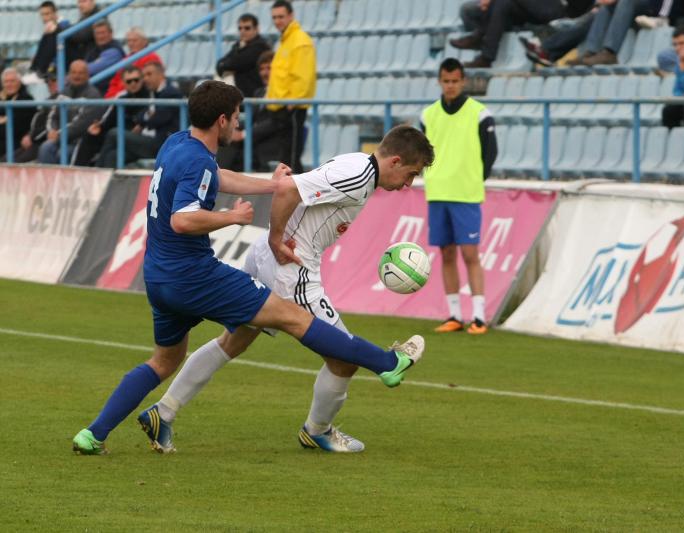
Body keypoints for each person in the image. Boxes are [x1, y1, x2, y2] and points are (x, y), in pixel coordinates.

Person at [71, 81, 427, 455]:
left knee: (169, 358)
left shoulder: (178, 144)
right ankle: (387, 363)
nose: (239, 123)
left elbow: (217, 177)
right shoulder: (197, 159)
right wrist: (233, 217)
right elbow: (182, 220)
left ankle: (98, 433)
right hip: (195, 275)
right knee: (293, 318)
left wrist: (270, 186)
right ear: (222, 119)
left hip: (158, 276)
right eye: (237, 116)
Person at [139, 125, 435, 454]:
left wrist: (274, 241)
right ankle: (320, 428)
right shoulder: (357, 174)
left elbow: (295, 191)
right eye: (411, 174)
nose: (408, 184)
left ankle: (163, 412)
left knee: (233, 340)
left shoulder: (359, 166)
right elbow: (288, 189)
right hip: (293, 270)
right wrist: (277, 237)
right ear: (395, 161)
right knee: (342, 360)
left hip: (269, 259)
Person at [421, 58, 497, 335]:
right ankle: (454, 314)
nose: (451, 86)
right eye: (446, 81)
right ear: (440, 81)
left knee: (470, 253)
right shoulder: (428, 115)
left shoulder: (479, 113)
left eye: (455, 81)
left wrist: (474, 179)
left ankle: (478, 316)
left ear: (463, 81)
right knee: (446, 253)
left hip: (465, 194)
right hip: (438, 192)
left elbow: (490, 153)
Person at [96, 61, 181, 168]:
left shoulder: (171, 93)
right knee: (113, 156)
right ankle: (107, 182)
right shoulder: (152, 92)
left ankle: (97, 171)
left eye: (149, 74)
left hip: (161, 144)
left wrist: (145, 120)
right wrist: (146, 117)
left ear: (161, 74)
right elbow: (140, 116)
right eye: (144, 75)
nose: (145, 78)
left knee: (114, 133)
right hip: (147, 139)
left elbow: (157, 119)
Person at [266, 0, 315, 172]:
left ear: (291, 16)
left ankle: (297, 195)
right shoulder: (286, 41)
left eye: (281, 16)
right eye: (274, 17)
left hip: (291, 107)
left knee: (292, 157)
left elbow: (303, 75)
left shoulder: (299, 41)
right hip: (282, 106)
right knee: (287, 156)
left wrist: (293, 101)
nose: (277, 21)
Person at [454, 0, 573, 68]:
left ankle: (479, 36)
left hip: (553, 7)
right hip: (527, 8)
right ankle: (486, 57)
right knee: (502, 3)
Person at [217, 50, 283, 171]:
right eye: (262, 69)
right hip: (252, 143)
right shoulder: (259, 92)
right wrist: (231, 128)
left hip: (269, 144)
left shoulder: (283, 94)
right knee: (224, 137)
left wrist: (243, 134)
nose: (265, 73)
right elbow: (250, 119)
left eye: (269, 68)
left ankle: (216, 177)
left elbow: (274, 123)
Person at [72, 66, 149, 166]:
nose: (133, 83)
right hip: (119, 135)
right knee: (90, 135)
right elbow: (108, 119)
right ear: (124, 83)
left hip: (138, 136)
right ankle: (78, 170)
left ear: (142, 80)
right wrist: (99, 126)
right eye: (129, 81)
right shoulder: (121, 98)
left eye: (136, 80)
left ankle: (98, 169)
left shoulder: (150, 96)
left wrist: (141, 124)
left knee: (113, 138)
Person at [36, 60, 104, 164]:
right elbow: (52, 116)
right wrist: (51, 131)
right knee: (45, 148)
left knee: (63, 153)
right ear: (69, 74)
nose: (77, 76)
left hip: (80, 141)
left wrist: (58, 134)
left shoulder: (94, 96)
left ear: (87, 75)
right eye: (74, 72)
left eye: (81, 73)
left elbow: (81, 124)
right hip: (60, 138)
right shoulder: (63, 93)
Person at [216, 13, 271, 98]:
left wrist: (226, 65)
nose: (243, 31)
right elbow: (220, 63)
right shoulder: (238, 45)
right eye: (240, 28)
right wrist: (225, 65)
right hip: (239, 92)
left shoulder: (261, 46)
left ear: (256, 29)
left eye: (247, 28)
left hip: (252, 94)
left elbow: (236, 63)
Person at [10, 67, 59, 163]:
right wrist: (28, 135)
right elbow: (38, 122)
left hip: (42, 142)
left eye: (53, 80)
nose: (49, 83)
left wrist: (32, 137)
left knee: (15, 165)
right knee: (5, 162)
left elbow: (51, 126)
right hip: (33, 141)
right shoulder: (49, 100)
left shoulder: (63, 100)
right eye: (47, 80)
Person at [104, 27, 162, 98]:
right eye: (129, 41)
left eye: (134, 41)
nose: (131, 44)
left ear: (144, 42)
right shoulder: (126, 59)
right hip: (119, 96)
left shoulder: (151, 58)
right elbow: (115, 81)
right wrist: (110, 95)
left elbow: (144, 83)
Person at [0, 68, 36, 161]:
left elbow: (17, 128)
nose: (9, 84)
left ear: (19, 82)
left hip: (16, 142)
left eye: (12, 81)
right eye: (6, 82)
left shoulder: (26, 100)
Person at [30, 1, 71, 78]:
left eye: (47, 14)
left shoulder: (65, 25)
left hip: (64, 69)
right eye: (42, 15)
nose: (45, 18)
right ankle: (37, 69)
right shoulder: (48, 30)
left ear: (55, 14)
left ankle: (39, 70)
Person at [84, 20, 125, 96]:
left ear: (111, 33)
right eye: (97, 33)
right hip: (94, 91)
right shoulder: (93, 49)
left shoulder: (115, 50)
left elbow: (90, 69)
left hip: (108, 92)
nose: (100, 36)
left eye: (103, 33)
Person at [66, 0, 99, 65]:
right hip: (83, 56)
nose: (80, 5)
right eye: (79, 2)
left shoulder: (99, 16)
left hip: (90, 58)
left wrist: (61, 28)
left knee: (58, 32)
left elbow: (81, 36)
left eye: (83, 1)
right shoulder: (85, 16)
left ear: (93, 2)